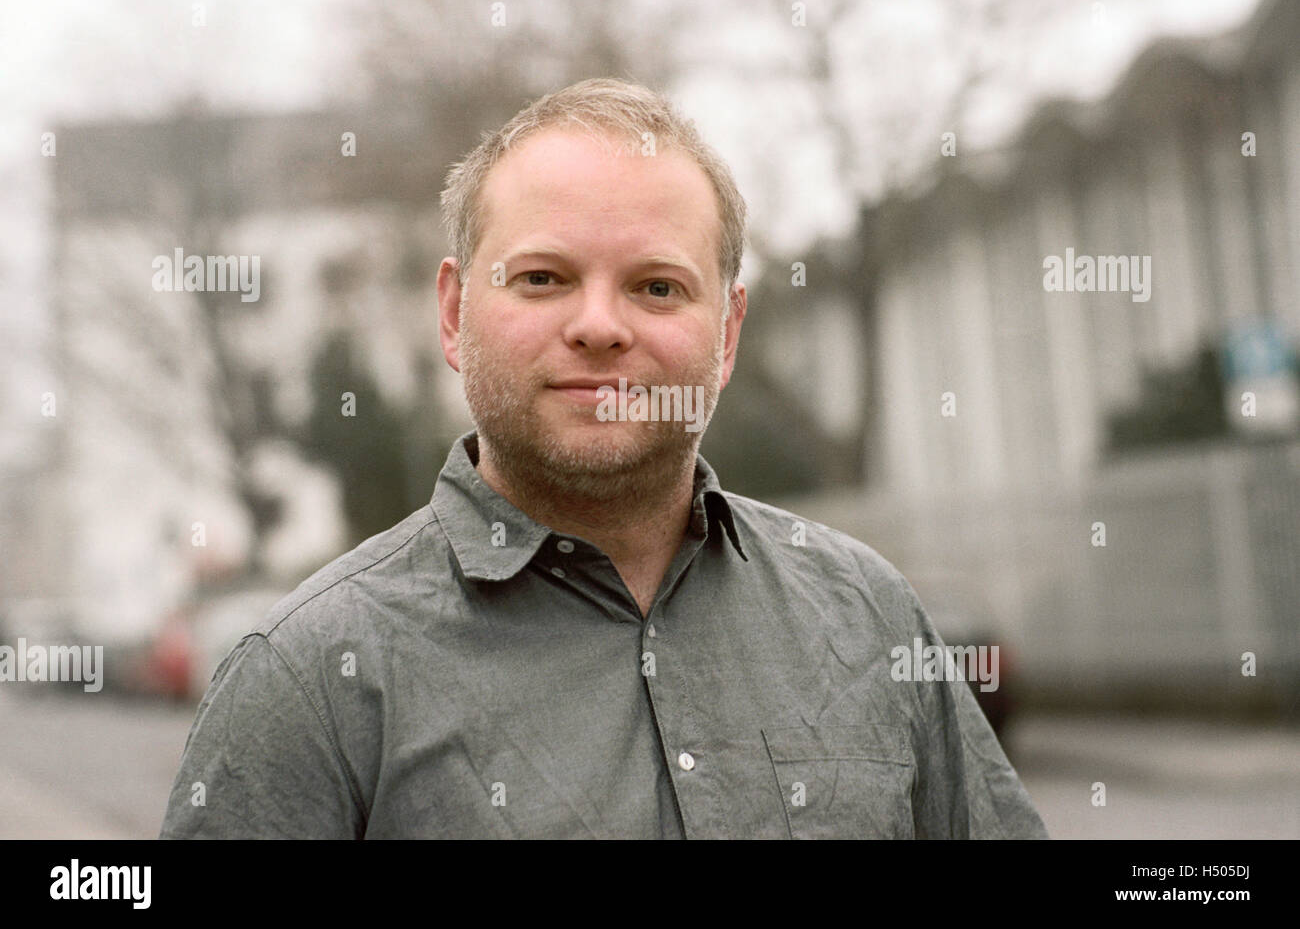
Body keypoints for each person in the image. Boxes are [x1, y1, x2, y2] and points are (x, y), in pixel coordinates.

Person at [160, 77, 1048, 839]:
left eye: (656, 287)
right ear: (452, 314)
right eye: (543, 278)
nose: (598, 325)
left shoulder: (869, 617)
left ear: (729, 332)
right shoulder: (306, 682)